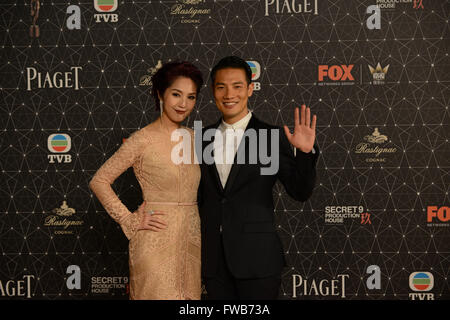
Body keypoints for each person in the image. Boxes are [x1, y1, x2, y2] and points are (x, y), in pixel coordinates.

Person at [197, 56, 319, 300]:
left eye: (237, 86)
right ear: (213, 91)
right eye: (221, 87)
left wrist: (305, 154)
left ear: (251, 88)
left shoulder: (270, 137)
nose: (229, 94)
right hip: (213, 262)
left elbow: (300, 192)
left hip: (258, 260)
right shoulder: (200, 137)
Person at [89, 61, 204, 300]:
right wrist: (129, 220)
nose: (183, 104)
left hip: (191, 242)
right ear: (160, 94)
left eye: (191, 97)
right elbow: (99, 181)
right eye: (176, 95)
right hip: (154, 242)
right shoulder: (142, 140)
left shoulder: (196, 139)